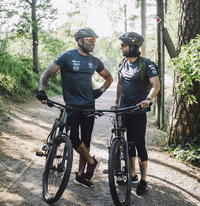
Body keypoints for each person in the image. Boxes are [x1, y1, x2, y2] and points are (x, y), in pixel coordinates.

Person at [37, 28, 113, 188]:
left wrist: (100, 90)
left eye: (94, 41)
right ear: (80, 41)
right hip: (72, 106)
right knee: (72, 138)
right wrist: (42, 91)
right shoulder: (67, 57)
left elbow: (109, 77)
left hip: (89, 107)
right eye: (90, 40)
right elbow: (47, 73)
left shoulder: (94, 61)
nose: (93, 43)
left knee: (86, 140)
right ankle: (92, 162)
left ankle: (80, 175)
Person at [112, 31, 160, 195]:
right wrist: (117, 103)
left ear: (133, 47)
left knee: (139, 143)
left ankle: (144, 179)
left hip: (138, 111)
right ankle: (132, 175)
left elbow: (156, 85)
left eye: (124, 45)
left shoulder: (146, 64)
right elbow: (120, 84)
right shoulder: (122, 63)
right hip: (124, 110)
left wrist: (147, 99)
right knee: (129, 143)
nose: (121, 47)